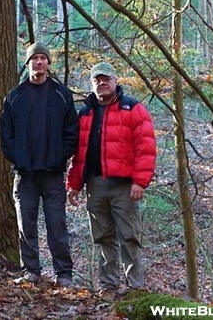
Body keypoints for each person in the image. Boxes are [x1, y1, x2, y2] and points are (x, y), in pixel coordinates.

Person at [66, 62, 156, 297]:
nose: (101, 83)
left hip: (124, 185)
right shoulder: (85, 113)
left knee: (129, 236)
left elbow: (145, 147)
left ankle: (135, 286)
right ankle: (108, 286)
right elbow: (79, 153)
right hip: (95, 184)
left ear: (115, 81)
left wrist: (140, 181)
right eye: (96, 80)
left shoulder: (132, 108)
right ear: (92, 84)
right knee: (103, 236)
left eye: (106, 79)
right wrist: (74, 184)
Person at [0, 42, 78, 288]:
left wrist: (60, 157)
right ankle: (31, 271)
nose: (39, 62)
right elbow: (6, 134)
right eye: (35, 59)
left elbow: (71, 132)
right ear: (28, 63)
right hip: (25, 174)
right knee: (25, 225)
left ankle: (63, 273)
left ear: (48, 63)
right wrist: (18, 159)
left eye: (43, 58)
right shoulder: (15, 96)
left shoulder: (61, 95)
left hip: (53, 173)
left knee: (57, 224)